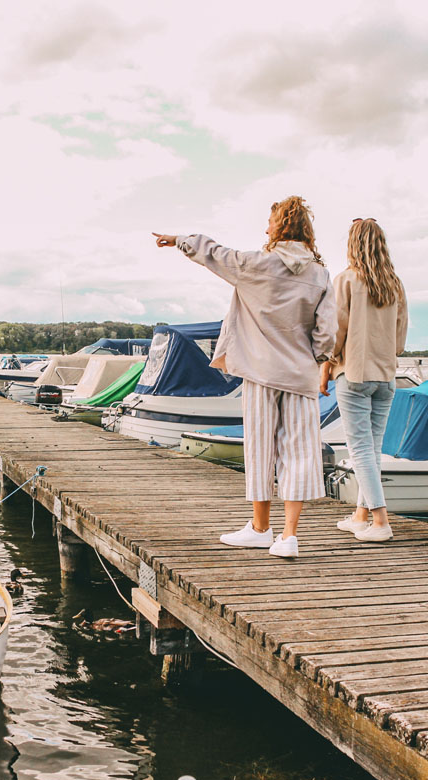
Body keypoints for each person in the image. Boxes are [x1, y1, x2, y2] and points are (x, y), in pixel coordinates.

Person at [153, 196, 336, 558]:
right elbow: (327, 331)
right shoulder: (320, 274)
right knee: (298, 453)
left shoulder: (257, 264)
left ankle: (259, 528)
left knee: (259, 449)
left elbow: (217, 254)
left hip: (260, 370)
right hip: (299, 375)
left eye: (270, 222)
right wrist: (313, 359)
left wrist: (180, 240)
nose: (265, 228)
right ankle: (289, 537)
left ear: (280, 226)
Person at [319, 217, 408, 542]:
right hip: (385, 377)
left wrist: (326, 367)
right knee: (372, 448)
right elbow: (399, 340)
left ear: (353, 244)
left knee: (359, 450)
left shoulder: (346, 280)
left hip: (354, 374)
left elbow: (335, 333)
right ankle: (360, 516)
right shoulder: (394, 284)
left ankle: (381, 522)